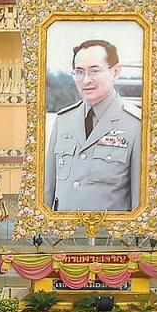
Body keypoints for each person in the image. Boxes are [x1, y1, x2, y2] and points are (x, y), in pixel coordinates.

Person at [43, 38, 142, 212]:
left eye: (94, 71)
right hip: (63, 228)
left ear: (116, 72)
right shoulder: (64, 119)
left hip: (109, 229)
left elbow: (140, 203)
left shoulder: (136, 125)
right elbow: (48, 188)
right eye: (79, 72)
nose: (86, 80)